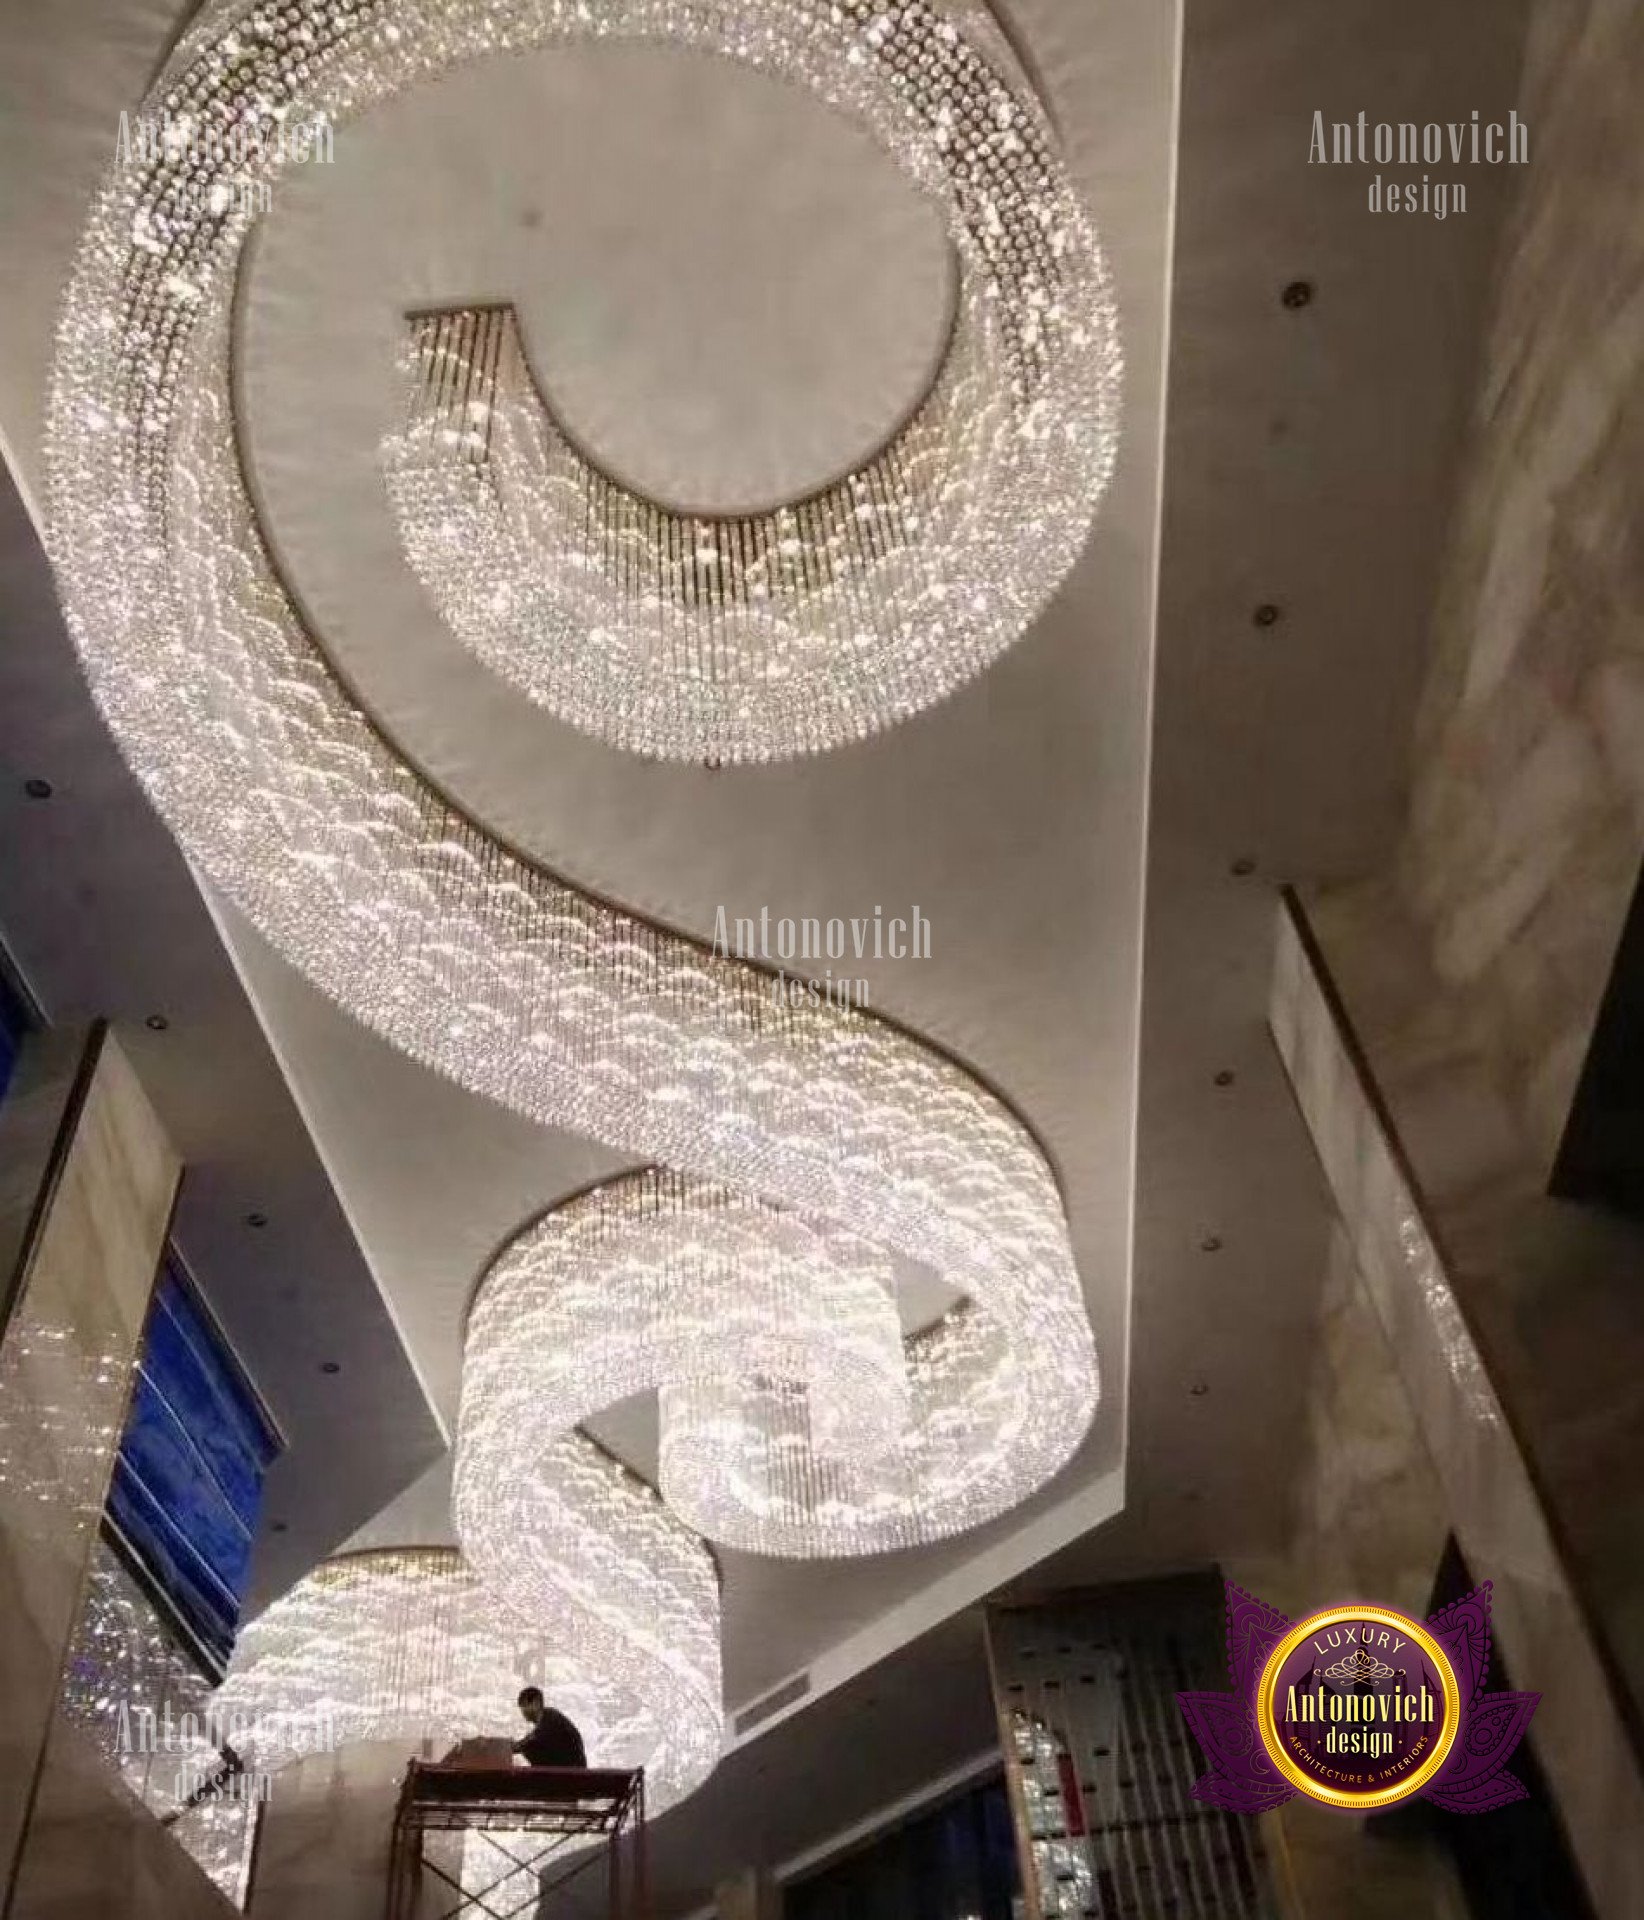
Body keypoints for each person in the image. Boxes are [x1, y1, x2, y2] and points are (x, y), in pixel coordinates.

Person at [512, 1686, 587, 1769]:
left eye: (524, 1705)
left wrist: (512, 1747)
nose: (523, 1711)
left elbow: (532, 1741)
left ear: (536, 1703)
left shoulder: (551, 1719)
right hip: (566, 1772)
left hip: (571, 1773)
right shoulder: (547, 1720)